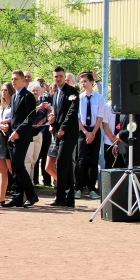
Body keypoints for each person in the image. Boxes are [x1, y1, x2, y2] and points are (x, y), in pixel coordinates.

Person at [4, 70, 38, 208]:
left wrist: (18, 131)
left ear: (23, 80)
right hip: (13, 134)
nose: (13, 81)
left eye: (16, 79)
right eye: (12, 79)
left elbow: (30, 117)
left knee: (18, 165)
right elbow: (16, 117)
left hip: (22, 136)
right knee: (15, 166)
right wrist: (8, 126)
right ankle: (17, 196)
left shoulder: (28, 96)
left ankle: (31, 195)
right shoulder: (14, 96)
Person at [48, 66, 79, 208]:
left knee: (62, 164)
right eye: (56, 76)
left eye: (60, 76)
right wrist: (52, 122)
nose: (58, 79)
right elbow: (58, 113)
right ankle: (68, 198)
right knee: (64, 166)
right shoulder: (55, 94)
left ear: (64, 76)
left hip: (69, 134)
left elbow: (72, 112)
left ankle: (61, 197)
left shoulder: (71, 91)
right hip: (58, 133)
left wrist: (63, 128)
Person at [75, 72, 104, 200]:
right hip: (83, 131)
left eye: (86, 81)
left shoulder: (99, 98)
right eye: (82, 82)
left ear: (92, 82)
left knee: (93, 160)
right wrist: (86, 133)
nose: (84, 84)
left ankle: (92, 188)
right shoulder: (79, 98)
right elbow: (77, 118)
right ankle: (79, 188)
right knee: (81, 160)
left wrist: (93, 133)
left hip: (95, 130)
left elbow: (100, 117)